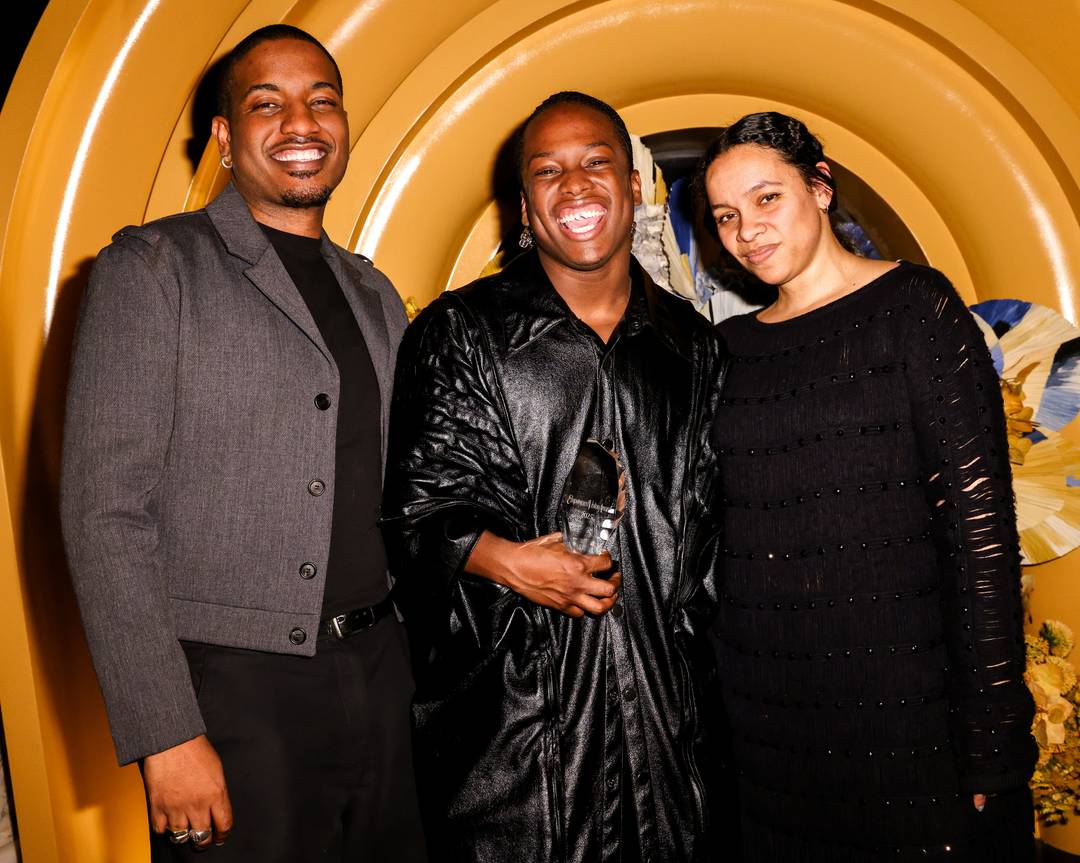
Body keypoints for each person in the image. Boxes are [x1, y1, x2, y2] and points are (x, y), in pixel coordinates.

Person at [61, 24, 424, 861]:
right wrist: (165, 733)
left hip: (382, 675)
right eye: (268, 104)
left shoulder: (376, 293)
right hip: (232, 694)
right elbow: (103, 511)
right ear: (224, 137)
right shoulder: (153, 268)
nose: (301, 122)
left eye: (321, 101)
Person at [381, 91, 729, 862]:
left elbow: (715, 545)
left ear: (632, 186)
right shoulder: (460, 334)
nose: (575, 185)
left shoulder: (694, 350)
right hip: (516, 742)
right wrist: (509, 562)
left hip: (668, 739)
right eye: (549, 171)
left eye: (596, 162)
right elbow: (414, 513)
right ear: (525, 205)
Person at [698, 111, 1037, 861]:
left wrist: (992, 730)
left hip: (905, 710)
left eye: (766, 199)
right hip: (768, 718)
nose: (746, 229)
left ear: (820, 188)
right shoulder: (727, 349)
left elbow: (981, 535)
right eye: (726, 215)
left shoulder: (916, 308)